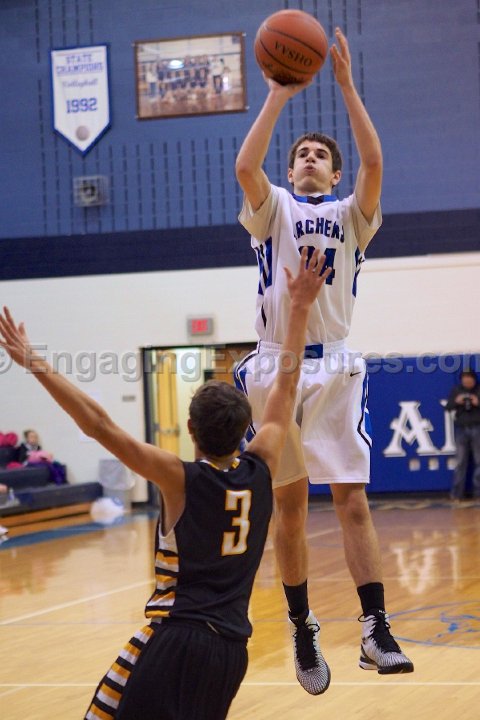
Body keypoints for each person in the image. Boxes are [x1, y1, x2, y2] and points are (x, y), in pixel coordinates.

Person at [0, 249, 331, 720]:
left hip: (175, 638)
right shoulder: (262, 468)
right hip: (232, 652)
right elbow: (285, 387)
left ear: (190, 430)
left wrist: (34, 362)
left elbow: (98, 425)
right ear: (246, 430)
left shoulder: (180, 479)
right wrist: (300, 309)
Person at [234, 26, 413, 695]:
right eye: (301, 155)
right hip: (275, 365)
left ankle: (375, 628)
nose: (309, 159)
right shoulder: (273, 208)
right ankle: (302, 625)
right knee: (289, 507)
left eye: (320, 156)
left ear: (334, 175)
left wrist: (345, 86)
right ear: (289, 172)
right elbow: (244, 168)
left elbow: (375, 163)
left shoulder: (350, 214)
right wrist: (278, 94)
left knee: (353, 501)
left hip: (334, 365)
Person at [446, 369, 480, 500]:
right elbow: (448, 407)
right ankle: (457, 493)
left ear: (474, 379)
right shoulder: (457, 390)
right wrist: (457, 401)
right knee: (460, 462)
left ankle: (478, 493)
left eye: (469, 379)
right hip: (461, 429)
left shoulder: (479, 390)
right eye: (465, 380)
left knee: (479, 461)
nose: (467, 382)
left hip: (477, 428)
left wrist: (477, 402)